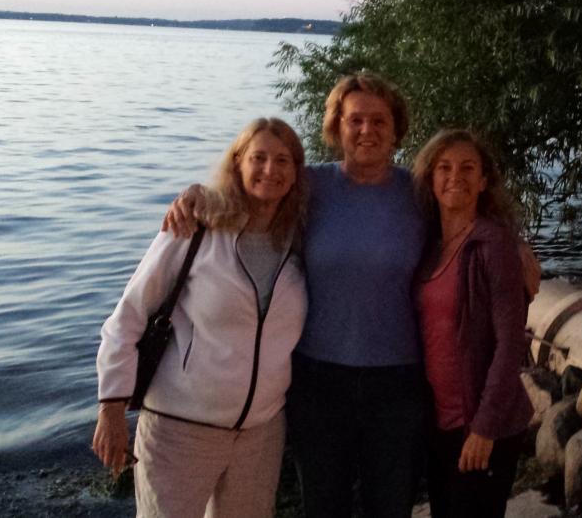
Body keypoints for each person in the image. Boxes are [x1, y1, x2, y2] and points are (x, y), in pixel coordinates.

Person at [166, 73, 429, 518]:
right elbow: (251, 188)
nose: (367, 130)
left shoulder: (419, 193)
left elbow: (472, 222)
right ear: (336, 128)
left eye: (379, 120)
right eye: (355, 120)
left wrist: (514, 246)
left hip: (397, 385)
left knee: (391, 506)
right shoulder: (310, 185)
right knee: (323, 506)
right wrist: (196, 195)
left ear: (396, 128)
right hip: (317, 382)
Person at [94, 117, 309, 518]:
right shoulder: (196, 229)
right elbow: (129, 316)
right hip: (180, 428)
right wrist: (111, 407)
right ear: (238, 163)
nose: (270, 170)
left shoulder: (299, 238)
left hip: (260, 434)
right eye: (258, 158)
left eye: (283, 160)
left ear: (297, 171)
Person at [411, 130, 533, 518]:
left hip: (480, 423)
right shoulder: (430, 244)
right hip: (441, 422)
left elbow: (510, 342)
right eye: (444, 168)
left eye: (468, 168)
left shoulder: (493, 245)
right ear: (431, 179)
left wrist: (484, 428)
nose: (455, 176)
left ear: (483, 181)